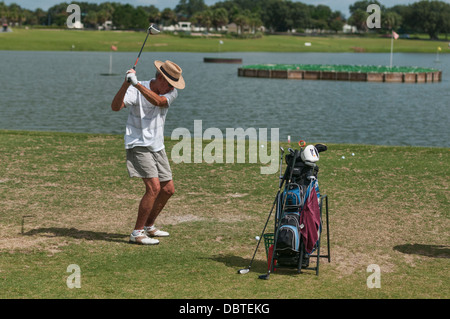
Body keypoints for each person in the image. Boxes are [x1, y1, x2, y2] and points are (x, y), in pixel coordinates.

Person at [111, 60, 185, 245]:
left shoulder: (170, 93)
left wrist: (135, 84)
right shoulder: (137, 87)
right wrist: (126, 83)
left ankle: (148, 226)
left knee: (168, 190)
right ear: (160, 77)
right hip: (137, 143)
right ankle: (136, 233)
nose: (171, 89)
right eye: (169, 84)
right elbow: (115, 107)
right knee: (153, 188)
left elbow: (158, 102)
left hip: (157, 145)